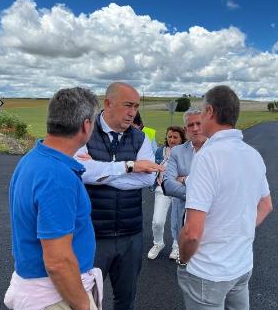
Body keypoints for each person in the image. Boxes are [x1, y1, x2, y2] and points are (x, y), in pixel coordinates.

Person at [177, 85, 273, 310]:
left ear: (210, 111)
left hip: (207, 272)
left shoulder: (206, 157)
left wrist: (183, 259)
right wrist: (237, 233)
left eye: (201, 112)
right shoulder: (253, 155)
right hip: (241, 267)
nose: (199, 118)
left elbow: (191, 233)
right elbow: (266, 205)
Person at [5, 87, 102, 310]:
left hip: (38, 288)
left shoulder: (34, 158)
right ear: (86, 125)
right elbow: (58, 261)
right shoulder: (57, 175)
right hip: (55, 296)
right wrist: (83, 305)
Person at [75, 82, 164, 310]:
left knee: (126, 299)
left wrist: (100, 171)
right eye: (127, 105)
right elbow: (82, 173)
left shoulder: (141, 138)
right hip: (93, 235)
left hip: (130, 235)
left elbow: (146, 179)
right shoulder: (84, 131)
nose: (133, 112)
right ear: (107, 103)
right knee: (87, 300)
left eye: (135, 106)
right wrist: (131, 166)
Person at [161, 108, 208, 260]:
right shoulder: (177, 152)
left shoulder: (219, 151)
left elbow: (222, 187)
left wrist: (185, 179)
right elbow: (167, 184)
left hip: (212, 223)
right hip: (182, 220)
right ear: (186, 129)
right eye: (190, 125)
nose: (195, 128)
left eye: (199, 123)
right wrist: (204, 195)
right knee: (186, 269)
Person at [147, 126, 186, 260]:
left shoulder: (186, 152)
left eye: (175, 137)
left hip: (178, 190)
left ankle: (177, 247)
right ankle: (158, 243)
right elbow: (152, 164)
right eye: (169, 136)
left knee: (178, 221)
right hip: (161, 188)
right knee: (157, 221)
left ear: (181, 138)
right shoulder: (160, 151)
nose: (172, 139)